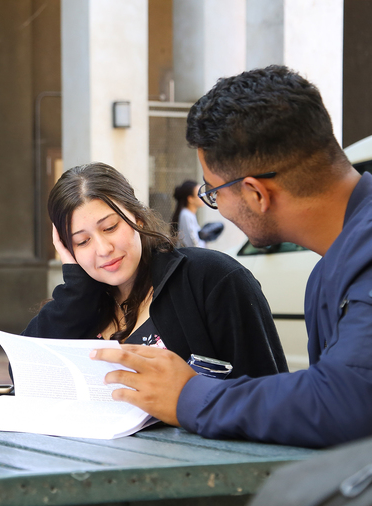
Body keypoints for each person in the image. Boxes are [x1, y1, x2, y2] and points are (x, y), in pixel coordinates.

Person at [91, 65, 372, 449]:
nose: (216, 206)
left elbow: (346, 400)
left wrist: (189, 395)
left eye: (213, 192)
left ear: (256, 194)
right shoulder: (330, 267)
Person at [23, 162, 287, 382]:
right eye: (82, 242)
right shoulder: (82, 304)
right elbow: (25, 374)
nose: (103, 249)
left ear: (137, 216)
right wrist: (76, 287)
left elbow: (266, 395)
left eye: (111, 227)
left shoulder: (211, 277)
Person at [171, 180, 206, 247]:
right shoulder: (186, 215)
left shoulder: (190, 214)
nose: (203, 196)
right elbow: (193, 244)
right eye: (199, 194)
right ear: (190, 199)